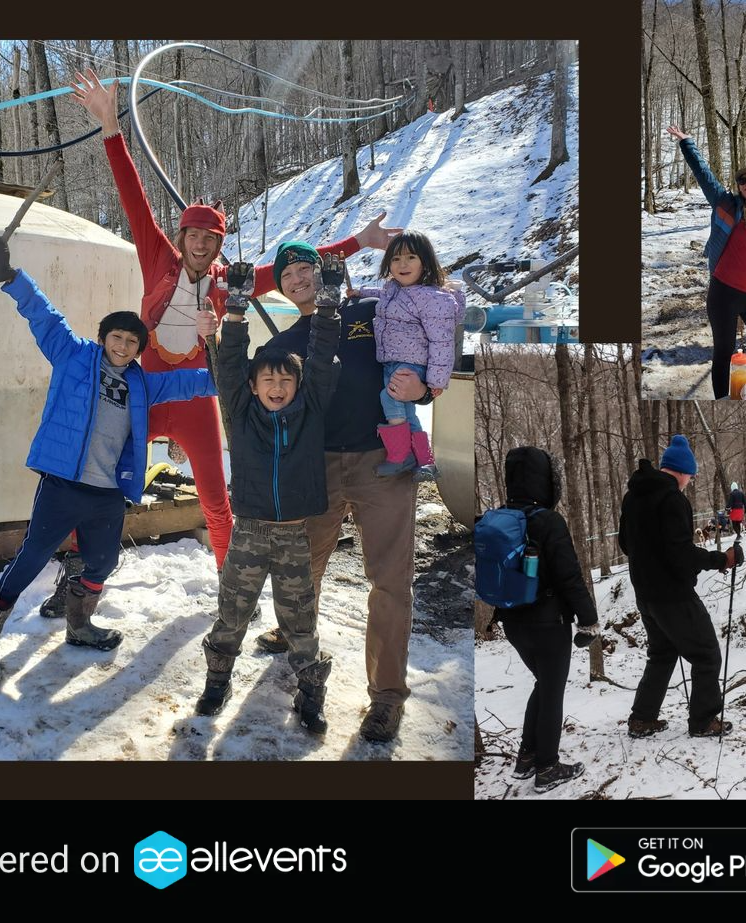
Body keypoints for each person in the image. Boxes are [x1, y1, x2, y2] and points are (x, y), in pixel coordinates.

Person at [68, 68, 399, 578]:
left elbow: (300, 263)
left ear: (219, 245)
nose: (200, 244)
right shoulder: (157, 255)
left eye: (210, 238)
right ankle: (79, 571)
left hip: (198, 393)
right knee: (99, 474)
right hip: (150, 385)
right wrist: (111, 125)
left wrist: (360, 241)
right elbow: (132, 196)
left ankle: (229, 590)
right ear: (181, 237)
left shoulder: (232, 281)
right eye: (194, 235)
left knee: (215, 499)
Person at [0, 237, 217, 687]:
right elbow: (43, 315)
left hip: (107, 492)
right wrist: (8, 275)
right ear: (103, 339)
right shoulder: (73, 356)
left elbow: (195, 381)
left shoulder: (144, 384)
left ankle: (79, 625)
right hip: (63, 484)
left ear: (140, 349)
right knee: (29, 561)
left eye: (131, 341)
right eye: (116, 337)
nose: (122, 346)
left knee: (100, 564)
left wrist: (232, 359)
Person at [251, 241, 436, 742]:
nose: (296, 278)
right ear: (281, 287)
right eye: (286, 274)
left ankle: (387, 698)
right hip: (318, 468)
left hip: (384, 460)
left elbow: (431, 329)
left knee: (391, 581)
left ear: (323, 271)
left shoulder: (371, 310)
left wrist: (427, 388)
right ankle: (294, 634)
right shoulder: (282, 342)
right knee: (304, 567)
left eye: (304, 268)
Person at [190, 256, 345, 729]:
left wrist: (329, 302)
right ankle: (218, 679)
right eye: (268, 379)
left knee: (300, 622)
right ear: (253, 386)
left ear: (298, 386)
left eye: (285, 379)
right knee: (231, 613)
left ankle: (310, 692)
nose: (277, 387)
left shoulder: (310, 409)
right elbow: (231, 362)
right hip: (249, 535)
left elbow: (320, 355)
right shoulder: (240, 411)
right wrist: (235, 307)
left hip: (296, 534)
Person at [619, 435, 743, 739]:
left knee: (662, 653)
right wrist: (722, 560)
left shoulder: (633, 496)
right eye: (691, 474)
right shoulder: (673, 499)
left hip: (645, 594)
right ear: (681, 471)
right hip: (672, 594)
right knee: (707, 655)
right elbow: (681, 554)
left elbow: (625, 543)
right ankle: (702, 721)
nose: (691, 480)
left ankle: (642, 719)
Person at [494, 447, 599, 793]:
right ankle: (547, 768)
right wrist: (589, 620)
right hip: (549, 624)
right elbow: (570, 577)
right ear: (545, 480)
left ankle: (526, 757)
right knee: (552, 692)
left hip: (512, 623)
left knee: (544, 685)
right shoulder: (549, 522)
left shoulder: (500, 517)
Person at [666, 125, 746, 399]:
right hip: (724, 293)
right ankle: (721, 401)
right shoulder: (727, 205)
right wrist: (688, 144)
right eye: (741, 181)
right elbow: (704, 176)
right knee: (723, 352)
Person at [353, 231, 466, 480]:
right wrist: (360, 292)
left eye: (410, 257)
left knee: (389, 397)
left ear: (424, 261)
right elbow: (382, 295)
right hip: (393, 360)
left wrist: (436, 381)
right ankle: (425, 461)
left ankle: (400, 455)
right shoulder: (395, 290)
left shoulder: (432, 298)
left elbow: (442, 341)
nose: (402, 265)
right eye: (395, 259)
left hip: (411, 362)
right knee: (408, 413)